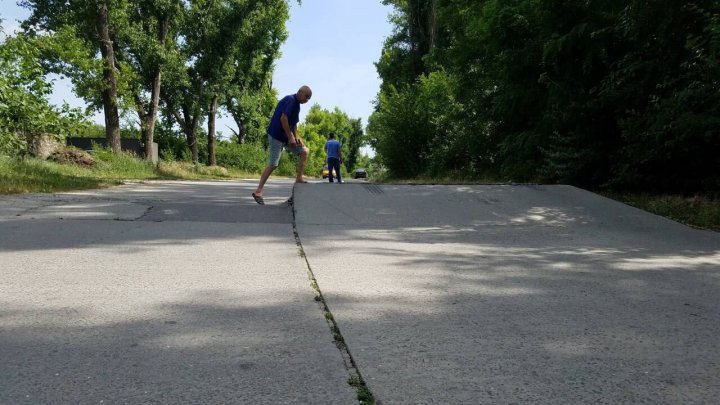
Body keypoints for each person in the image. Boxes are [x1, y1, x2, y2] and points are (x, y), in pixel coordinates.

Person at [252, 86, 312, 205]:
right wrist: (290, 137)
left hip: (286, 137)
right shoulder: (290, 100)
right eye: (306, 97)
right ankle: (258, 191)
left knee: (304, 151)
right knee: (273, 164)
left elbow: (293, 124)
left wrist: (297, 138)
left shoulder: (297, 106)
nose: (306, 100)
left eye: (308, 99)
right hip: (276, 135)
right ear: (300, 92)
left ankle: (299, 178)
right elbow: (283, 119)